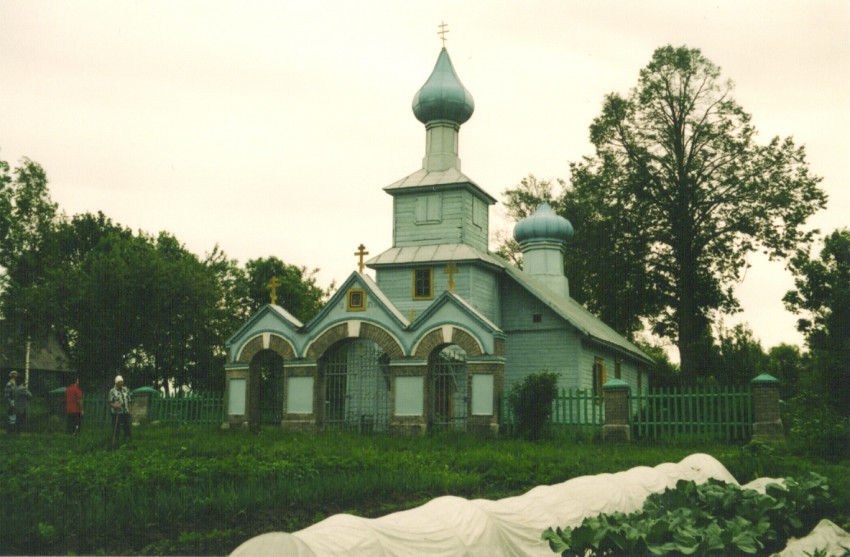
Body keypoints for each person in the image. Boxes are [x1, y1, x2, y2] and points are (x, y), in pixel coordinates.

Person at [109, 375, 132, 446]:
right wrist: (115, 405)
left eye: (122, 382)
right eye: (119, 382)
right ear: (116, 383)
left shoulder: (125, 389)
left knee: (127, 426)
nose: (121, 384)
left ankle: (127, 439)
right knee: (117, 427)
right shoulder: (112, 391)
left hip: (125, 412)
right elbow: (110, 402)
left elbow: (129, 400)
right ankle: (116, 440)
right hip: (116, 413)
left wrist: (130, 410)